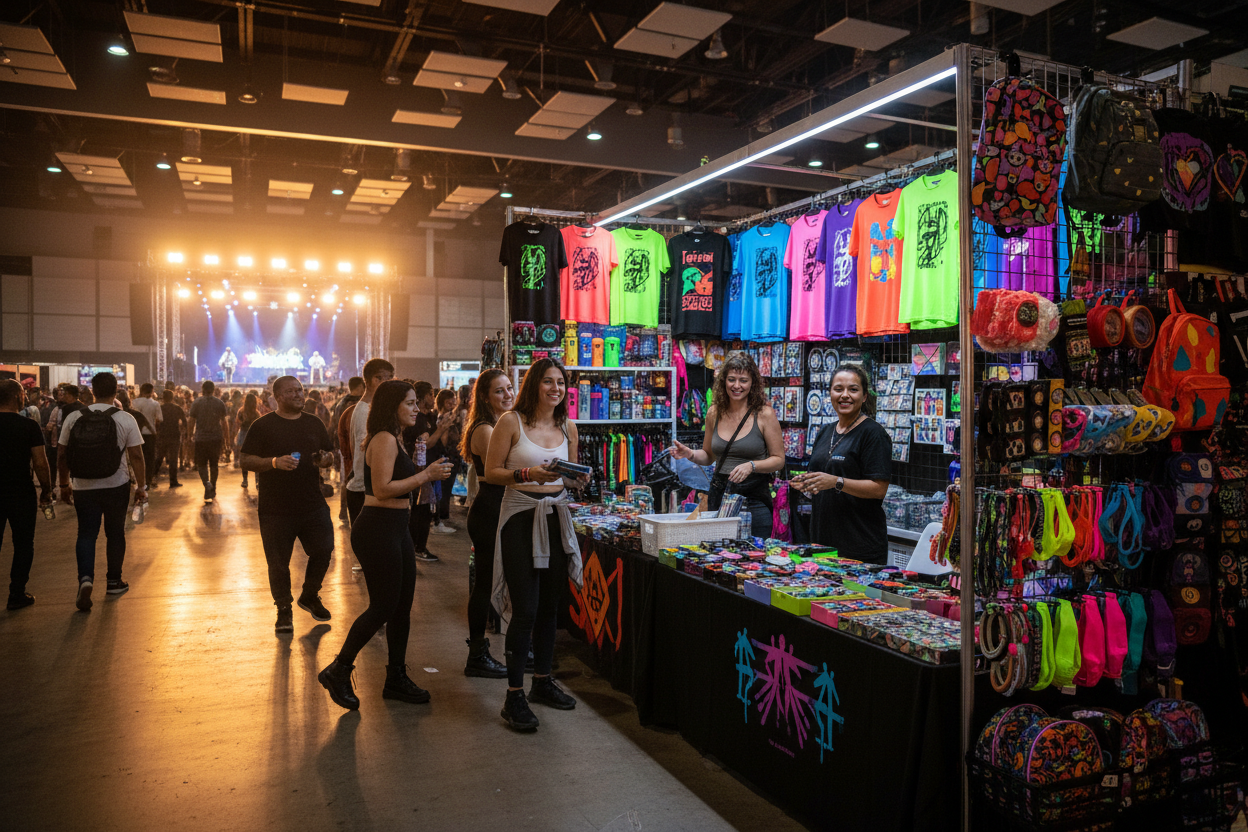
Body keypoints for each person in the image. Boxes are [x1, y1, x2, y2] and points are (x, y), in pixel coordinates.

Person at [317, 381, 454, 710]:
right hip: (377, 528)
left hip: (395, 527)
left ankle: (395, 677)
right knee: (383, 606)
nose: (416, 409)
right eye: (409, 403)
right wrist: (426, 476)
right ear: (392, 405)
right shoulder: (383, 438)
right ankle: (339, 669)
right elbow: (381, 488)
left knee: (401, 608)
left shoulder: (395, 438)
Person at [485, 358, 585, 732]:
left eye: (561, 382)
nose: (555, 389)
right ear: (533, 385)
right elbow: (491, 472)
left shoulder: (568, 427)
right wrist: (527, 473)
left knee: (549, 608)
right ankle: (514, 695)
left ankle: (542, 682)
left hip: (555, 518)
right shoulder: (511, 422)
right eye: (548, 382)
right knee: (525, 608)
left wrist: (575, 480)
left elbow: (572, 478)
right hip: (520, 518)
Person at [239, 375, 337, 633]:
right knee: (278, 563)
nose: (298, 394)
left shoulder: (314, 423)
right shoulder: (263, 426)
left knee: (324, 549)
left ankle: (310, 594)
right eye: (291, 391)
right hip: (275, 508)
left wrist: (326, 459)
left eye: (300, 390)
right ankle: (284, 609)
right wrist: (273, 462)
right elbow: (245, 460)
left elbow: (329, 454)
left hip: (312, 503)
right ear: (278, 397)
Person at [670, 351, 785, 539]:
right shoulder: (714, 413)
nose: (737, 386)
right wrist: (690, 453)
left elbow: (779, 460)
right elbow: (708, 456)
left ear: (752, 383)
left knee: (752, 560)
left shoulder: (764, 414)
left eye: (743, 380)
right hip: (721, 497)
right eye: (732, 379)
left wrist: (752, 465)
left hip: (754, 501)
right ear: (723, 381)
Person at [58, 372, 146, 610]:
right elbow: (136, 455)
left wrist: (64, 484)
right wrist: (141, 486)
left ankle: (85, 579)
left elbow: (62, 455)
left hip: (83, 486)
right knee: (115, 533)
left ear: (91, 391)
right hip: (116, 485)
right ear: (116, 391)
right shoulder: (125, 418)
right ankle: (114, 581)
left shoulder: (74, 417)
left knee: (86, 533)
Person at [791, 364, 891, 564]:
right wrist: (807, 483)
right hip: (823, 544)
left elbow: (879, 489)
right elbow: (823, 478)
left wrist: (836, 481)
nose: (845, 395)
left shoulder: (873, 433)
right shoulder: (825, 431)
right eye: (839, 389)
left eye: (853, 389)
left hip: (859, 546)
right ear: (830, 394)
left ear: (864, 397)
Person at [460, 368, 513, 678]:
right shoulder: (485, 429)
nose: (507, 395)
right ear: (484, 396)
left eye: (509, 388)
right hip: (490, 512)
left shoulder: (500, 424)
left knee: (500, 582)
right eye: (499, 391)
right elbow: (508, 467)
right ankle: (477, 653)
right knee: (484, 585)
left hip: (501, 510)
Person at [1, 379, 54, 610]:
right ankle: (17, 593)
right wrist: (47, 490)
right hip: (20, 492)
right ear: (17, 397)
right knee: (23, 543)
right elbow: (41, 463)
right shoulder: (29, 426)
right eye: (23, 393)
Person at [403, 382, 453, 560]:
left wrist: (444, 427)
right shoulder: (416, 419)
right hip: (419, 470)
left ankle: (418, 546)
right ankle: (417, 547)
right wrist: (440, 429)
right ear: (422, 397)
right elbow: (426, 444)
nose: (434, 398)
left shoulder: (431, 417)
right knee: (420, 511)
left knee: (427, 510)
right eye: (431, 395)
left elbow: (439, 443)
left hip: (432, 469)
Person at [345, 360, 395, 527]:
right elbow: (365, 452)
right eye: (379, 378)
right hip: (364, 490)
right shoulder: (365, 411)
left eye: (389, 378)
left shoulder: (373, 409)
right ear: (366, 380)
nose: (385, 382)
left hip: (371, 488)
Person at [188, 380, 230, 502]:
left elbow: (191, 421)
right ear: (213, 390)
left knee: (201, 464)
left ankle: (206, 484)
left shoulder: (196, 403)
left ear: (202, 389)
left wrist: (189, 436)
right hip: (216, 438)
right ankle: (213, 486)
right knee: (214, 464)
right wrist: (227, 441)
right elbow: (224, 423)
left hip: (201, 438)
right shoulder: (219, 403)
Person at [433, 388, 462, 534]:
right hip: (446, 457)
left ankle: (442, 517)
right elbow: (443, 442)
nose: (453, 402)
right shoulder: (441, 418)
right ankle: (439, 519)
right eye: (449, 400)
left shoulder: (453, 416)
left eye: (454, 399)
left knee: (446, 488)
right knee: (443, 489)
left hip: (453, 456)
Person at [130, 383, 162, 488]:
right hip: (150, 435)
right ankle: (147, 481)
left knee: (137, 456)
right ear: (152, 391)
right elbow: (159, 420)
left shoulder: (134, 402)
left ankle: (138, 481)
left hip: (136, 434)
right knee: (150, 458)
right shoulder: (155, 404)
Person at [153, 390, 186, 487]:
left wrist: (157, 432)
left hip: (162, 435)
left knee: (159, 457)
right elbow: (184, 421)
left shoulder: (160, 408)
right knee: (173, 459)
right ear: (172, 398)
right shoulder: (177, 408)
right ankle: (173, 481)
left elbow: (157, 422)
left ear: (163, 398)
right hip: (175, 435)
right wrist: (184, 431)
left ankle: (152, 477)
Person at [236, 393, 260, 488]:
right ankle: (257, 481)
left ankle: (245, 480)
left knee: (244, 458)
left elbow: (237, 424)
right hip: (254, 437)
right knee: (256, 459)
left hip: (243, 436)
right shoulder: (257, 413)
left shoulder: (241, 412)